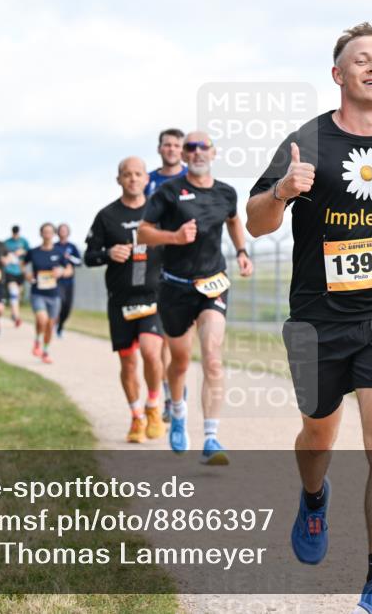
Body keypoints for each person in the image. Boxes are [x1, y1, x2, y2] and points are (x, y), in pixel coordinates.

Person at [245, 22, 372, 614]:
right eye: (362, 60)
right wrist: (281, 190)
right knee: (318, 432)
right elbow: (256, 222)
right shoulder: (305, 140)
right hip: (315, 318)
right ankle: (313, 498)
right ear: (339, 75)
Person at [138, 130, 254, 464]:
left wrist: (242, 251)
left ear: (213, 153)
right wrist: (173, 236)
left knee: (213, 356)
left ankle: (212, 437)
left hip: (213, 283)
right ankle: (176, 411)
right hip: (174, 286)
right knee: (179, 362)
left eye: (204, 147)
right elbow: (144, 232)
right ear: (185, 156)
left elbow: (234, 220)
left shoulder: (225, 193)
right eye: (191, 147)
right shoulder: (168, 192)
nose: (197, 152)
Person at [86, 157, 167, 443]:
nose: (133, 179)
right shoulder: (107, 216)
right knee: (128, 363)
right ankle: (136, 417)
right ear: (119, 179)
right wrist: (108, 253)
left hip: (154, 295)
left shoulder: (160, 211)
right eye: (127, 174)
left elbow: (179, 245)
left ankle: (154, 405)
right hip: (121, 299)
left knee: (150, 350)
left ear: (147, 178)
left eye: (138, 174)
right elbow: (89, 256)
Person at [146, 127, 189, 421]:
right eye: (167, 145)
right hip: (157, 262)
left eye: (177, 145)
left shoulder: (193, 178)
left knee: (185, 335)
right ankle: (167, 392)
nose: (172, 149)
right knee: (162, 333)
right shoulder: (149, 182)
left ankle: (178, 384)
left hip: (190, 263)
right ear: (160, 149)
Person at [25, 222, 72, 364]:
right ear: (41, 234)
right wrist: (27, 275)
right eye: (45, 232)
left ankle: (45, 351)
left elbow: (69, 269)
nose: (47, 234)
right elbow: (23, 266)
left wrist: (62, 272)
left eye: (50, 232)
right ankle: (37, 341)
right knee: (42, 319)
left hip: (54, 294)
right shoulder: (33, 252)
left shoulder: (58, 253)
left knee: (50, 325)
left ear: (53, 234)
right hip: (37, 292)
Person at [53, 223, 82, 337]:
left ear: (68, 232)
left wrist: (69, 258)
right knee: (59, 302)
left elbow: (79, 262)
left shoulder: (72, 247)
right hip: (56, 282)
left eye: (65, 230)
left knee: (67, 307)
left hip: (69, 281)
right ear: (58, 232)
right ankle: (53, 323)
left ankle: (60, 326)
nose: (63, 232)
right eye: (61, 230)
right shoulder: (54, 246)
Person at [4, 225, 31, 327]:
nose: (15, 234)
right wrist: (8, 257)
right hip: (9, 271)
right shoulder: (6, 243)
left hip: (20, 271)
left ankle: (13, 313)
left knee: (17, 295)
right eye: (14, 232)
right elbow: (2, 256)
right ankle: (17, 317)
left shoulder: (24, 241)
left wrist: (23, 251)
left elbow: (29, 253)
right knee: (13, 292)